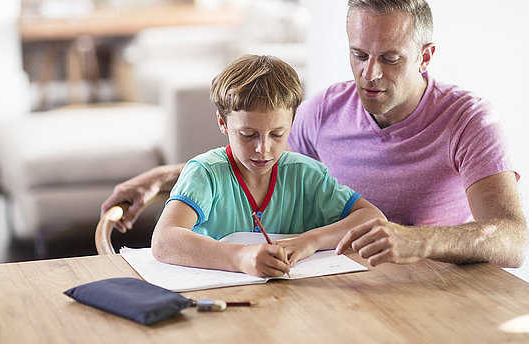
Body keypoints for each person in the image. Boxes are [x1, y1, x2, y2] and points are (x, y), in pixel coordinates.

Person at [102, 0, 528, 269]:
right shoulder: (324, 110)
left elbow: (513, 240)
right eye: (359, 55)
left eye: (390, 58)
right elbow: (265, 166)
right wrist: (164, 180)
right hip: (344, 284)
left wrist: (418, 241)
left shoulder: (470, 120)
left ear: (426, 56)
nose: (371, 74)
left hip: (438, 288)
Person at [150, 54, 385, 277]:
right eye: (248, 134)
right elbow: (163, 241)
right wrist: (241, 258)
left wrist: (310, 241)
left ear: (292, 123)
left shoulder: (307, 175)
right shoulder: (205, 173)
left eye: (277, 134)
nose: (263, 148)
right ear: (223, 122)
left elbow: (372, 217)